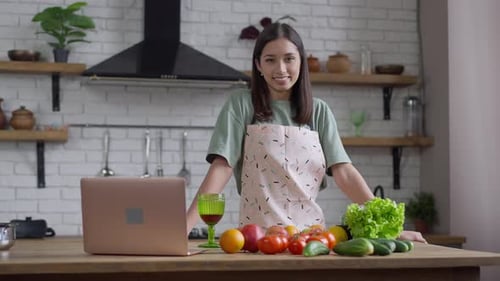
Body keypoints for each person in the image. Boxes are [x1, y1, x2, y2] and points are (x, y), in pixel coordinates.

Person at [186, 22, 426, 243]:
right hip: (256, 240)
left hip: (311, 240)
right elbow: (222, 167)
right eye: (270, 60)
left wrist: (390, 228)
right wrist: (183, 228)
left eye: (289, 58)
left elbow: (344, 172)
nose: (280, 68)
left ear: (301, 61)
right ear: (258, 65)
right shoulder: (241, 104)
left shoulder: (319, 111)